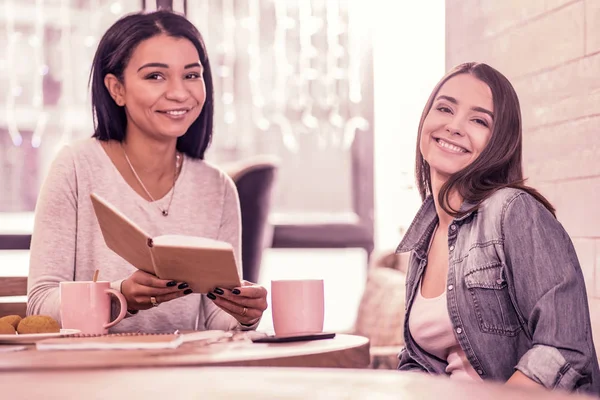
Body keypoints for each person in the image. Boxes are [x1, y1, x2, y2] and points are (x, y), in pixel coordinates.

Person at [27, 10, 267, 333]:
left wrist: (245, 313)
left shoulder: (218, 188)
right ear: (116, 89)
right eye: (155, 76)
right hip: (90, 376)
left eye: (191, 75)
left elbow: (216, 320)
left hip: (181, 377)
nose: (179, 92)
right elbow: (40, 304)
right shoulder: (75, 168)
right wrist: (119, 297)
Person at [395, 62, 600, 394]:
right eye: (445, 108)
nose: (454, 126)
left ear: (499, 142)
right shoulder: (424, 237)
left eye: (478, 120)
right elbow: (420, 362)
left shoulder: (513, 210)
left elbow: (563, 349)